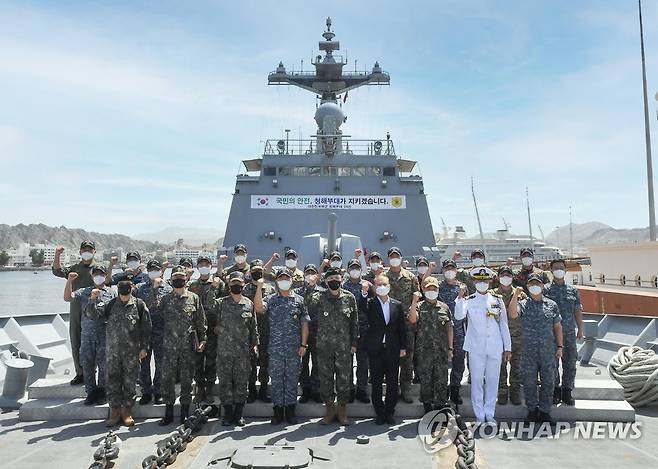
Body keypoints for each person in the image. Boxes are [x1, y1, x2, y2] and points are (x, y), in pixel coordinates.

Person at [86, 279, 151, 427]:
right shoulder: (110, 304)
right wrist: (92, 299)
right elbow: (92, 315)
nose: (124, 291)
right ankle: (115, 411)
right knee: (113, 382)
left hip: (131, 352)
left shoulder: (139, 305)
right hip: (113, 352)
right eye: (121, 288)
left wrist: (144, 348)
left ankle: (127, 411)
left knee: (130, 382)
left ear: (131, 288)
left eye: (127, 287)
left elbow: (147, 329)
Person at [454, 267, 512, 423]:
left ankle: (490, 413)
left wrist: (507, 347)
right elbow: (458, 316)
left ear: (490, 281)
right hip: (476, 347)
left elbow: (504, 324)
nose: (482, 284)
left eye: (485, 281)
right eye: (479, 281)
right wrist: (459, 297)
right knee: (478, 381)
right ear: (474, 282)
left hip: (495, 346)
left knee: (493, 381)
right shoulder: (469, 300)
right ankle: (479, 415)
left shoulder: (497, 300)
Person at [254, 270, 310, 425]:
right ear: (277, 281)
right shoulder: (271, 300)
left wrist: (303, 344)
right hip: (276, 349)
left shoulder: (299, 300)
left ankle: (291, 410)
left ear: (292, 280)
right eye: (281, 278)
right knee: (277, 381)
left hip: (294, 348)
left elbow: (304, 323)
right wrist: (259, 287)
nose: (284, 280)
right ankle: (278, 411)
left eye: (286, 278)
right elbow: (259, 308)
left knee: (292, 380)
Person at [305, 267, 358, 425]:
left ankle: (342, 411)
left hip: (344, 347)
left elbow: (354, 323)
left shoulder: (349, 297)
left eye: (337, 278)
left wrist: (354, 343)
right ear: (326, 282)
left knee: (344, 380)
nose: (334, 281)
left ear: (341, 279)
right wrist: (311, 285)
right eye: (330, 279)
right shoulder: (319, 297)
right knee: (326, 380)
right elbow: (307, 303)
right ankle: (329, 410)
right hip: (324, 347)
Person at [509, 274, 564, 423]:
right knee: (529, 382)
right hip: (528, 352)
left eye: (537, 284)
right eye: (531, 284)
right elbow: (512, 314)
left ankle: (545, 412)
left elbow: (557, 326)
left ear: (542, 286)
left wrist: (560, 346)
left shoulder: (551, 305)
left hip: (548, 351)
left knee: (548, 381)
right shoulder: (523, 304)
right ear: (528, 287)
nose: (535, 286)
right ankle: (532, 410)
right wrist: (515, 295)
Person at [159, 266, 207, 426]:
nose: (178, 279)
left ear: (186, 279)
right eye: (175, 277)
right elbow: (156, 319)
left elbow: (201, 321)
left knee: (187, 380)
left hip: (187, 346)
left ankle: (185, 412)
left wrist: (203, 340)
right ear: (171, 280)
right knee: (167, 379)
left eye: (181, 276)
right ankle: (168, 412)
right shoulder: (165, 299)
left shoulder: (194, 298)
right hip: (169, 347)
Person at [358, 275, 406, 425]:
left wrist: (403, 347)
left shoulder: (396, 304)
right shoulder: (370, 303)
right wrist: (364, 293)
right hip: (376, 349)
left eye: (384, 284)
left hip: (392, 349)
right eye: (378, 284)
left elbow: (401, 328)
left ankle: (389, 412)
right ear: (374, 287)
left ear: (389, 285)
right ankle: (379, 412)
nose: (381, 286)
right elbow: (361, 310)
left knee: (392, 383)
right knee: (377, 383)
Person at [212, 272, 258, 426]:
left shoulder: (249, 303)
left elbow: (253, 327)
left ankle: (238, 414)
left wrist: (255, 344)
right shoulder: (220, 303)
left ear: (243, 284)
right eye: (233, 283)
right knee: (225, 382)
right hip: (224, 351)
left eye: (238, 283)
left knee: (241, 383)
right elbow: (208, 306)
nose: (236, 286)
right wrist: (213, 287)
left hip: (243, 352)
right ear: (229, 285)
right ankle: (228, 414)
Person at [63, 265, 114, 405]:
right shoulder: (83, 292)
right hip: (87, 335)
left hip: (104, 334)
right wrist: (69, 281)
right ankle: (91, 392)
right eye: (96, 273)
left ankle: (102, 391)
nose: (99, 276)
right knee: (87, 364)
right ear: (92, 276)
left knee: (104, 365)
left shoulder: (111, 292)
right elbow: (67, 297)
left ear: (105, 276)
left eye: (101, 274)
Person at [52, 240, 98, 385]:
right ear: (80, 252)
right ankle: (80, 373)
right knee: (76, 339)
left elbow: (108, 280)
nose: (86, 251)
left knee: (94, 341)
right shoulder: (74, 268)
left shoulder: (98, 269)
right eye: (84, 249)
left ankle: (93, 371)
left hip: (93, 307)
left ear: (94, 251)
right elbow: (57, 271)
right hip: (76, 308)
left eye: (89, 249)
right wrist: (57, 254)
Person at [409, 276, 453, 414]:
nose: (432, 291)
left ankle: (441, 405)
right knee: (426, 379)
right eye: (429, 289)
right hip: (424, 351)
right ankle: (428, 406)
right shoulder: (419, 306)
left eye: (434, 288)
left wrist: (450, 348)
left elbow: (449, 328)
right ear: (424, 290)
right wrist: (414, 301)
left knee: (441, 378)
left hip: (441, 350)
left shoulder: (444, 307)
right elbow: (412, 320)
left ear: (438, 290)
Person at [544, 259, 583, 406]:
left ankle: (567, 391)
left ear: (565, 271)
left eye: (561, 268)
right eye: (555, 268)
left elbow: (577, 310)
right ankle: (556, 390)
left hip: (569, 333)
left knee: (570, 362)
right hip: (551, 334)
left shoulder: (573, 290)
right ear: (551, 271)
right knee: (552, 364)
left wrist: (580, 328)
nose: (558, 270)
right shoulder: (546, 290)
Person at [385, 246, 419, 404]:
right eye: (391, 256)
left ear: (401, 257)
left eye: (396, 256)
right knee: (390, 358)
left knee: (408, 358)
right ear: (388, 259)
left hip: (406, 324)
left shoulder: (411, 277)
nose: (394, 258)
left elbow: (417, 299)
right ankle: (392, 389)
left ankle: (406, 389)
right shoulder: (383, 277)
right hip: (389, 324)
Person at [135, 259, 172, 405]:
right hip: (144, 331)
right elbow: (140, 306)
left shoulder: (168, 289)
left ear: (161, 271)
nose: (153, 272)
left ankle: (158, 390)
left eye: (156, 269)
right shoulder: (141, 288)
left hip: (161, 330)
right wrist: (154, 290)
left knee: (160, 362)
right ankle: (146, 392)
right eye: (150, 270)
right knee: (143, 363)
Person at [190, 254, 225, 404]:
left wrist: (219, 325)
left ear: (211, 266)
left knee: (211, 361)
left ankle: (209, 389)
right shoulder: (192, 285)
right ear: (198, 267)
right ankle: (199, 389)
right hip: (197, 329)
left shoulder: (219, 284)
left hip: (212, 328)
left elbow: (224, 306)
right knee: (197, 360)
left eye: (207, 264)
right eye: (201, 264)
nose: (204, 266)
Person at [242, 259, 275, 403]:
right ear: (250, 272)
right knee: (250, 362)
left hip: (265, 330)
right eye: (254, 270)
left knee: (265, 362)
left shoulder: (270, 289)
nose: (257, 273)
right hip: (249, 332)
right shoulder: (244, 289)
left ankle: (262, 390)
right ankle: (251, 390)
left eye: (259, 270)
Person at [493, 265, 526, 406]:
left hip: (517, 335)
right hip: (498, 337)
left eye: (508, 275)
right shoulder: (492, 294)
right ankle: (502, 392)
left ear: (512, 277)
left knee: (516, 366)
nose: (505, 277)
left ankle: (515, 392)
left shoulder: (520, 294)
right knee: (500, 366)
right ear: (498, 277)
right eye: (503, 275)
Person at [342, 258, 371, 404]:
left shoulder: (367, 286)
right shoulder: (343, 286)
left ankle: (362, 389)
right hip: (346, 329)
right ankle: (349, 390)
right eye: (352, 267)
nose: (354, 270)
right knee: (347, 361)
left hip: (364, 328)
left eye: (357, 267)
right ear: (347, 270)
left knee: (363, 361)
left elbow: (372, 306)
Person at [439, 259, 466, 405]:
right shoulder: (438, 287)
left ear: (456, 270)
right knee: (442, 362)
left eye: (452, 268)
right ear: (443, 271)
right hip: (442, 331)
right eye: (447, 268)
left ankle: (455, 388)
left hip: (459, 331)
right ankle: (442, 389)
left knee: (459, 361)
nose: (449, 270)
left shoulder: (462, 287)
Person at [296, 264, 323, 403]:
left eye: (313, 272)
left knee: (317, 363)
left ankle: (316, 390)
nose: (310, 275)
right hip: (302, 333)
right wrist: (307, 287)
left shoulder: (322, 292)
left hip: (318, 332)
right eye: (308, 272)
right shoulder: (298, 292)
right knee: (304, 363)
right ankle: (305, 389)